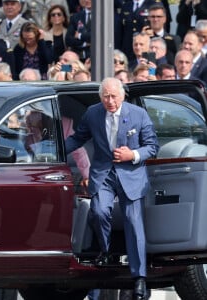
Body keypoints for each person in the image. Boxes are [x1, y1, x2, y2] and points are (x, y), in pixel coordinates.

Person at [65, 77, 159, 300]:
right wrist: (51, 150)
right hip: (104, 174)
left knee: (133, 221)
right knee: (98, 211)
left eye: (113, 96)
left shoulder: (138, 114)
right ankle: (106, 252)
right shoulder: (93, 113)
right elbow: (78, 138)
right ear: (100, 97)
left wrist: (132, 155)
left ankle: (139, 278)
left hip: (131, 174)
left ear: (122, 96)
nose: (110, 101)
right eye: (105, 96)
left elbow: (152, 146)